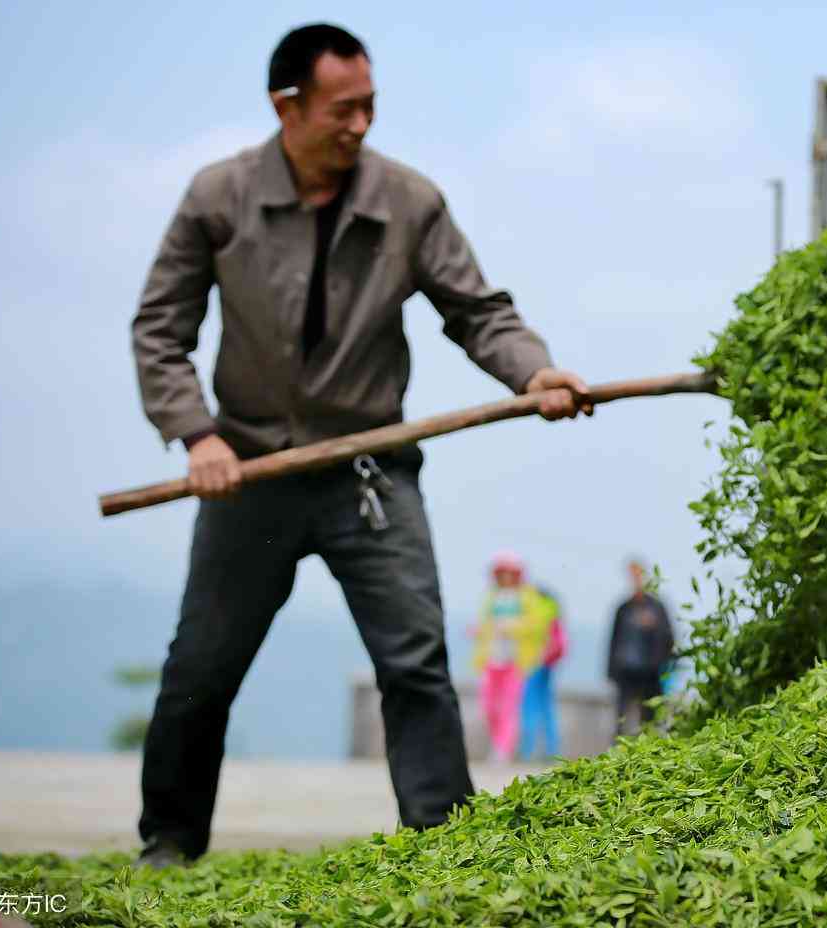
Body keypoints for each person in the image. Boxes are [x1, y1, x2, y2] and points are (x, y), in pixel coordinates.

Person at [130, 24, 592, 869]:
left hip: (369, 472)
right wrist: (196, 434)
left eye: (371, 106)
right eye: (343, 109)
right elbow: (161, 330)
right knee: (200, 666)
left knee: (415, 660)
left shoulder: (407, 201)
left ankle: (446, 849)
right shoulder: (219, 197)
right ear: (288, 106)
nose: (360, 124)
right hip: (249, 474)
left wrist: (533, 373)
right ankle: (169, 840)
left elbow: (477, 310)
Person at [472, 552, 554, 762]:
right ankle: (498, 742)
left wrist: (514, 627)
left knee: (510, 707)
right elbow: (486, 623)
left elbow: (539, 624)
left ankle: (503, 749)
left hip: (516, 661)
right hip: (492, 659)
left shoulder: (528, 596)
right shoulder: (492, 596)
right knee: (489, 705)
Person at [607, 559, 675, 736]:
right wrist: (611, 671)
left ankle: (647, 749)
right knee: (622, 717)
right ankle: (618, 751)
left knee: (649, 718)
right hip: (626, 671)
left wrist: (661, 665)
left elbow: (668, 638)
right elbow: (614, 640)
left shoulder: (657, 608)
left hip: (650, 673)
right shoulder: (624, 608)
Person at [517, 585, 566, 761]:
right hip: (548, 664)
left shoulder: (537, 610)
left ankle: (527, 751)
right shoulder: (553, 609)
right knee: (546, 707)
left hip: (535, 663)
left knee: (530, 707)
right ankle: (552, 750)